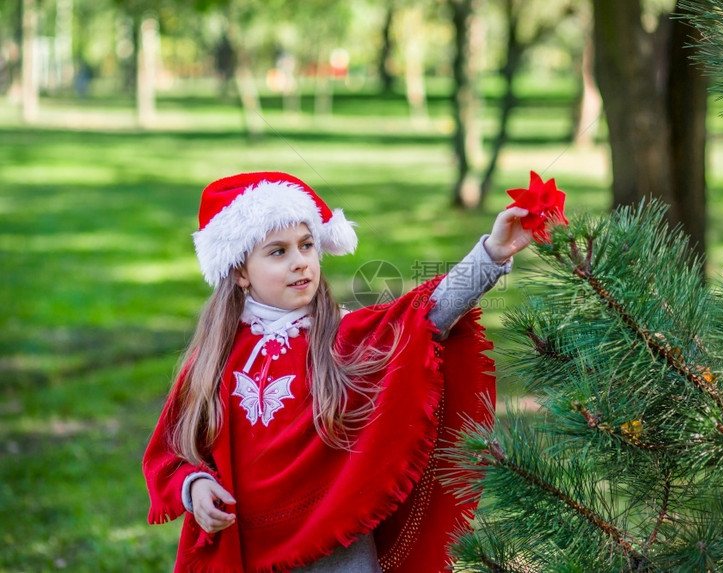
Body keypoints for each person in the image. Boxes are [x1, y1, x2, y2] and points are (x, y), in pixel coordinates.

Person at [143, 171, 534, 572]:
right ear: (240, 270)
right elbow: (171, 453)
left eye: (307, 245)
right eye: (277, 252)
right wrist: (195, 487)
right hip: (245, 552)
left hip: (338, 552)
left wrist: (491, 253)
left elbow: (425, 314)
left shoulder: (344, 336)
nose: (300, 262)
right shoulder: (213, 359)